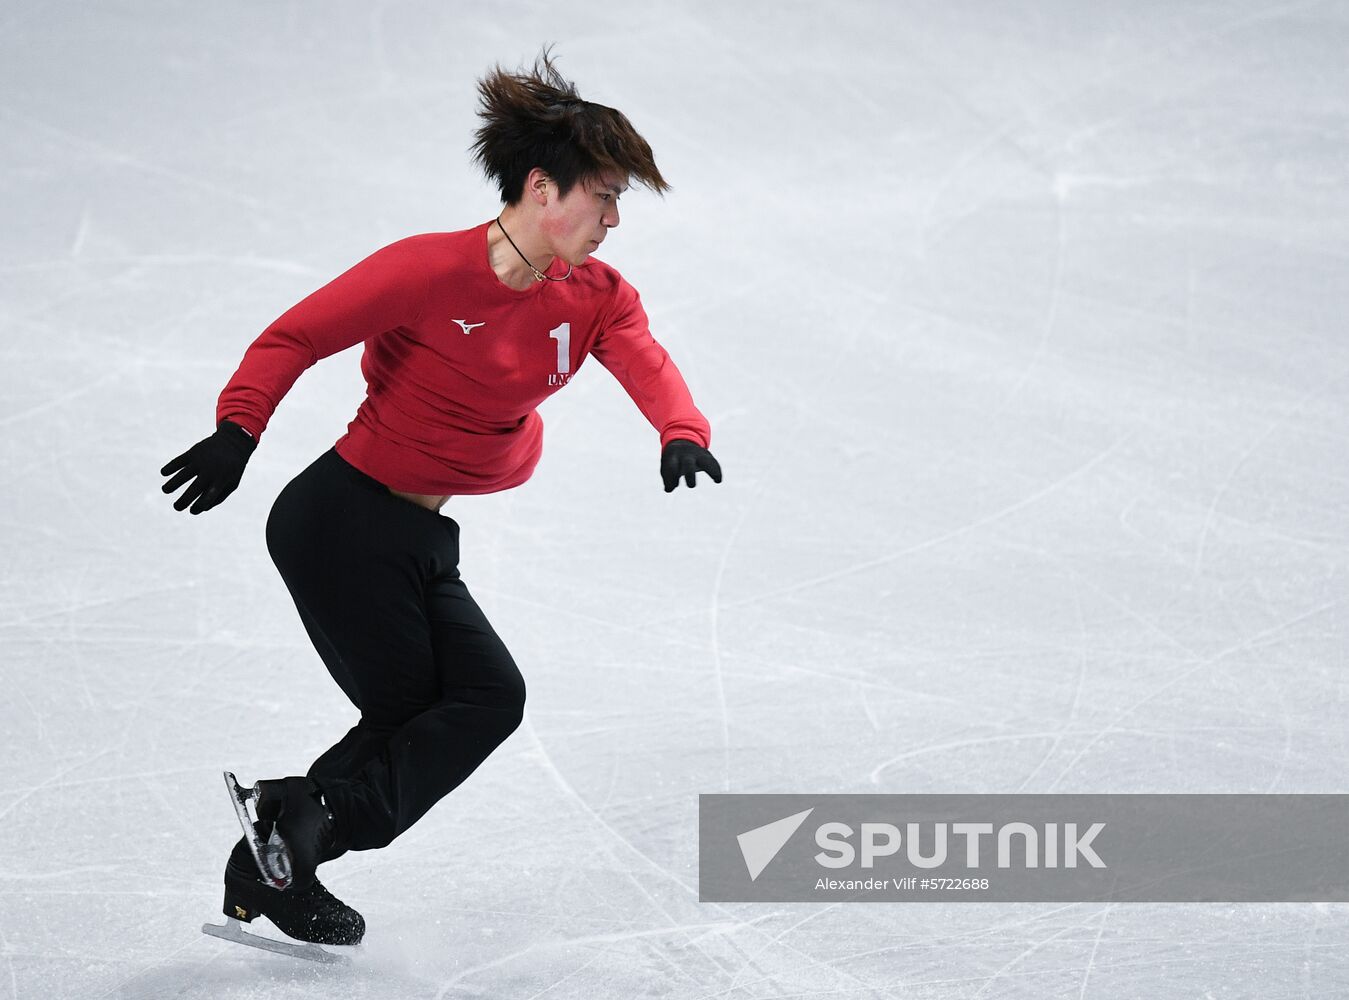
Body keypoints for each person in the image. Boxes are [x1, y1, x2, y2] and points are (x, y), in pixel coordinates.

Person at [160, 51, 721, 947]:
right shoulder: (425, 271)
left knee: (488, 695)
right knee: (419, 709)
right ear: (543, 188)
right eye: (604, 197)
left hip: (418, 536)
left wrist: (679, 429)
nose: (615, 219)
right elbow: (295, 335)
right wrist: (239, 429)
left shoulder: (596, 298)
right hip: (339, 523)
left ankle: (279, 845)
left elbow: (644, 355)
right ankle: (298, 834)